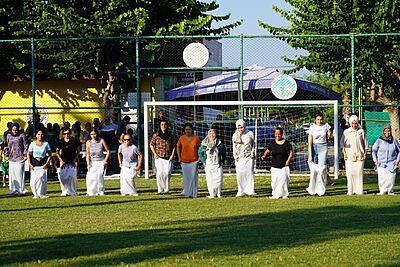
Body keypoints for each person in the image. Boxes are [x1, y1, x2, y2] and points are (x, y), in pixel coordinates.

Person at [261, 127, 294, 199]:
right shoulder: (272, 143)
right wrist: (264, 156)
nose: (277, 136)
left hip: (284, 165)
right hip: (275, 165)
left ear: (282, 134)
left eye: (279, 134)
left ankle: (284, 194)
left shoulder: (286, 143)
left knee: (284, 181)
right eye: (276, 134)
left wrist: (288, 161)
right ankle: (275, 194)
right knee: (275, 181)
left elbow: (291, 152)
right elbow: (268, 151)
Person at [341, 115, 368, 195]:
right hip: (349, 156)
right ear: (350, 123)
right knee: (350, 174)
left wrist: (365, 153)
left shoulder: (361, 131)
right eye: (352, 123)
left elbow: (365, 143)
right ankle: (350, 190)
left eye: (355, 123)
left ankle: (359, 191)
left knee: (359, 173)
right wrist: (344, 153)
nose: (354, 125)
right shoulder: (346, 132)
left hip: (360, 155)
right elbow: (342, 143)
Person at [306, 112, 332, 196]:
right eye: (318, 119)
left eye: (321, 119)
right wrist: (310, 154)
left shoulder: (326, 125)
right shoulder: (312, 127)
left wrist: (329, 134)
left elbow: (330, 135)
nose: (319, 121)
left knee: (322, 169)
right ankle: (312, 189)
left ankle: (321, 190)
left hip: (323, 146)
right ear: (315, 120)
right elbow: (310, 141)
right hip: (314, 146)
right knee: (314, 169)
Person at [372, 125, 400, 195]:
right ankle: (382, 191)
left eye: (389, 131)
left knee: (391, 178)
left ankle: (390, 191)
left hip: (392, 162)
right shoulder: (379, 140)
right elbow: (374, 150)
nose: (387, 132)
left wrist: (397, 160)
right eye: (386, 131)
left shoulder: (394, 140)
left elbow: (399, 151)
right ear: (383, 131)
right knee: (382, 178)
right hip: (381, 162)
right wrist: (375, 160)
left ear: (391, 131)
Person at [198, 129, 226, 198]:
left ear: (215, 134)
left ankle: (218, 193)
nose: (212, 135)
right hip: (209, 165)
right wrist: (203, 160)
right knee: (210, 179)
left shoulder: (219, 144)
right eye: (210, 134)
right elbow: (200, 152)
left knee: (219, 179)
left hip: (217, 164)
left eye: (213, 133)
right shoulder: (204, 144)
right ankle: (212, 194)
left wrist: (222, 160)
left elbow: (224, 152)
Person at [150, 120, 175, 194]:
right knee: (160, 173)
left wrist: (172, 155)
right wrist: (155, 154)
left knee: (167, 173)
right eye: (162, 124)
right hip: (159, 157)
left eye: (165, 124)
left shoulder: (170, 135)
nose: (163, 126)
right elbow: (151, 145)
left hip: (168, 157)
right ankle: (160, 189)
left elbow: (174, 146)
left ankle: (166, 189)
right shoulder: (156, 135)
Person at [176, 123, 201, 198]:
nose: (188, 131)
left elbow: (201, 148)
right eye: (186, 129)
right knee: (186, 178)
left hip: (194, 161)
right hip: (184, 161)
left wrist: (200, 157)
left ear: (192, 130)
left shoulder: (196, 138)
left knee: (193, 178)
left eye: (189, 129)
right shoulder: (182, 138)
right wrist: (179, 157)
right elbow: (178, 147)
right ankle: (187, 193)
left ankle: (193, 193)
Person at [232, 119, 256, 197]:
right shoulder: (235, 135)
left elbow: (253, 144)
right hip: (240, 157)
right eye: (238, 128)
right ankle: (241, 190)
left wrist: (253, 153)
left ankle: (250, 190)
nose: (240, 129)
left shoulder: (250, 133)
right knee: (240, 174)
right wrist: (235, 156)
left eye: (241, 127)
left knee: (249, 173)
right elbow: (234, 147)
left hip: (249, 157)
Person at [27, 129, 52, 199]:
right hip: (34, 162)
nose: (40, 136)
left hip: (43, 162)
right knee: (33, 181)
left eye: (41, 134)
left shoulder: (46, 144)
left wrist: (47, 163)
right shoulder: (32, 144)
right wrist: (30, 164)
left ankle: (42, 194)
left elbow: (50, 154)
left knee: (42, 180)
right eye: (39, 134)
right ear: (36, 135)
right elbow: (28, 154)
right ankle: (35, 194)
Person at [5, 122, 28, 195]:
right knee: (12, 175)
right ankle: (13, 189)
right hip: (11, 158)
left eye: (16, 130)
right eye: (13, 130)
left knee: (20, 174)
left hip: (20, 157)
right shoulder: (9, 135)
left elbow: (26, 145)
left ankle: (21, 189)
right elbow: (7, 146)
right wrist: (6, 155)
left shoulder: (22, 135)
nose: (15, 131)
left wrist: (25, 155)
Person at [56, 127, 80, 196]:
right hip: (63, 161)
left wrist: (74, 160)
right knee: (62, 177)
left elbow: (78, 151)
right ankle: (64, 191)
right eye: (65, 134)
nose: (67, 135)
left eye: (68, 133)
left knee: (72, 177)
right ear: (63, 134)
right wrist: (61, 161)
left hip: (72, 160)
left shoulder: (74, 141)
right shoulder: (60, 141)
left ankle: (72, 191)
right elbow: (57, 152)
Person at [86, 128, 110, 196]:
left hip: (100, 161)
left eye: (94, 134)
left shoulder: (101, 141)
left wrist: (105, 160)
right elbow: (88, 154)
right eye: (91, 134)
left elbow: (108, 151)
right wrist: (88, 164)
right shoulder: (88, 142)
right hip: (92, 162)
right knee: (90, 177)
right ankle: (91, 191)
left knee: (99, 177)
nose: (93, 136)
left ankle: (100, 191)